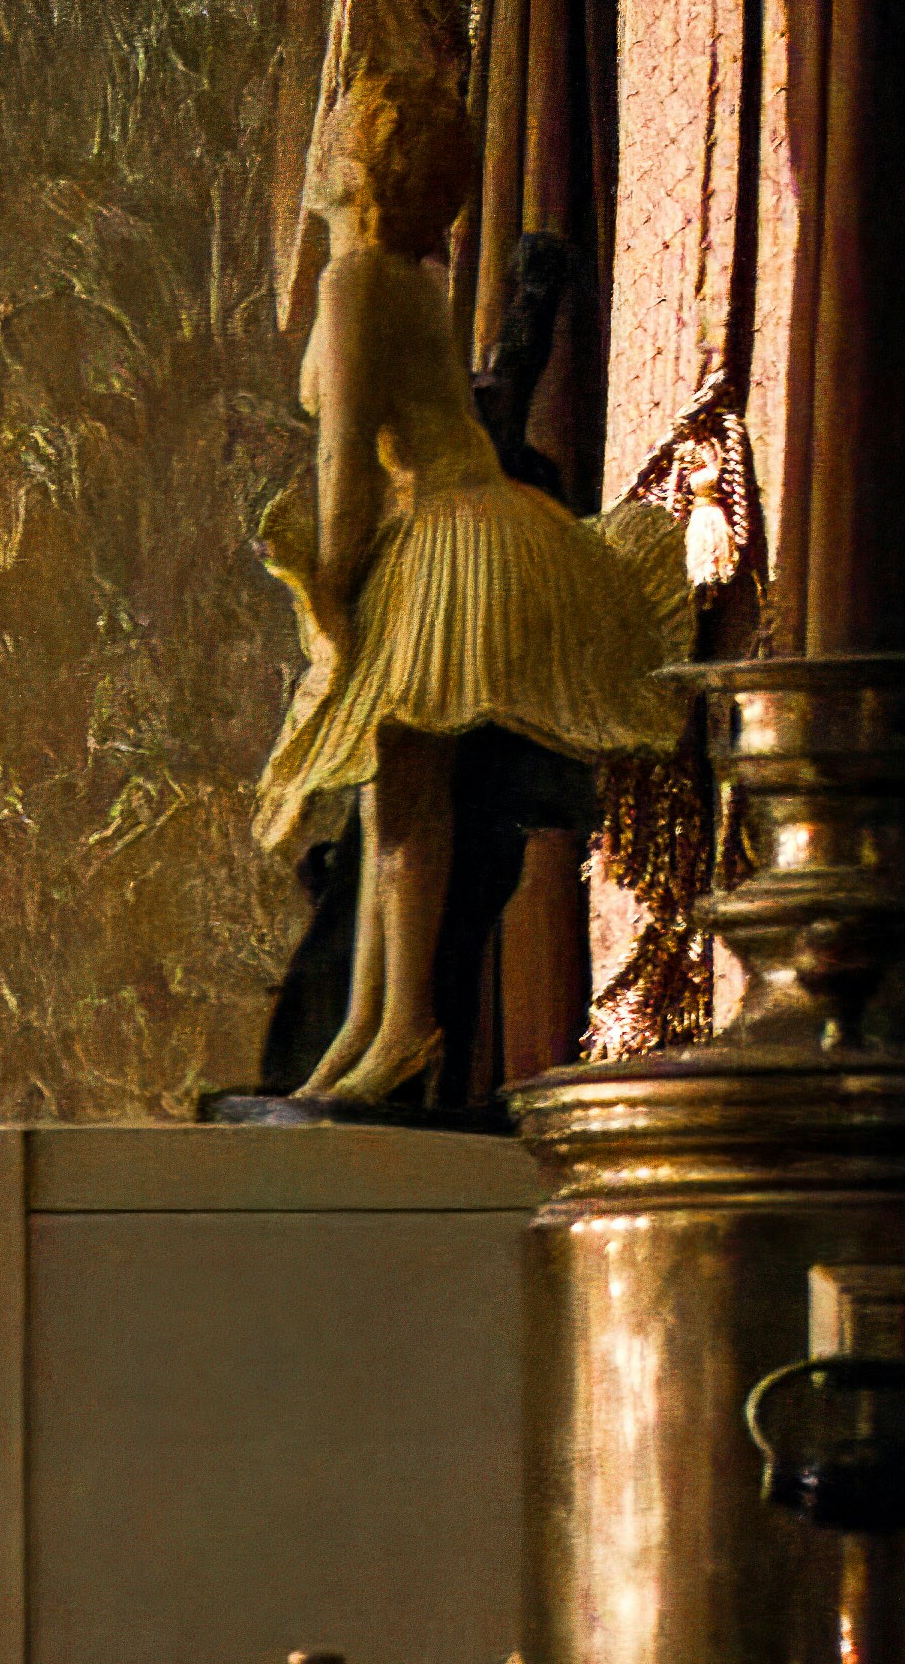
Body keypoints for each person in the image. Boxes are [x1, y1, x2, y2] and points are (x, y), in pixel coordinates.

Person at [243, 55, 699, 1113]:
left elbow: (346, 461)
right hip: (461, 522)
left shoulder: (356, 282)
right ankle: (373, 1025)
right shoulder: (399, 275)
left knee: (404, 797)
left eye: (334, 136)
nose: (317, 153)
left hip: (448, 540)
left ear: (358, 170)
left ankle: (399, 1026)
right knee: (395, 793)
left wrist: (334, 591)